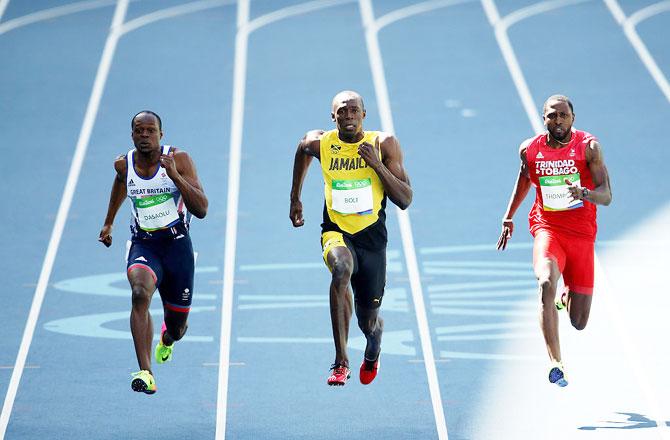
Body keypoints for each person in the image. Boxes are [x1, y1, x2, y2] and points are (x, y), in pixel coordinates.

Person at [289, 90, 412, 386]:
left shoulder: (383, 144)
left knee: (367, 321)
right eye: (341, 112)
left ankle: (373, 346)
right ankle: (340, 361)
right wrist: (295, 198)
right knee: (341, 270)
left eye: (354, 110)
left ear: (364, 115)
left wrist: (377, 165)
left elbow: (405, 199)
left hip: (372, 239)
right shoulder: (321, 143)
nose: (348, 116)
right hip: (337, 232)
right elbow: (302, 150)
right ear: (333, 117)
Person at [497, 95, 612, 387]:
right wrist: (508, 216)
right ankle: (555, 362)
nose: (557, 121)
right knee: (546, 281)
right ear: (543, 118)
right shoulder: (530, 149)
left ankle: (566, 297)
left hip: (582, 235)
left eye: (562, 115)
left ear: (573, 118)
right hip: (548, 229)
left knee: (579, 322)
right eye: (551, 116)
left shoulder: (589, 148)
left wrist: (584, 194)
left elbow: (607, 195)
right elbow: (524, 179)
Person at [98, 111, 208, 394]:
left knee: (177, 327)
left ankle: (167, 339)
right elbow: (121, 184)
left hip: (177, 248)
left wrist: (174, 176)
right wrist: (109, 221)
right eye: (139, 131)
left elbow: (202, 209)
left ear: (161, 134)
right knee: (139, 294)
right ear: (132, 135)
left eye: (150, 131)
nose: (144, 135)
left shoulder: (179, 160)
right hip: (144, 245)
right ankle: (146, 372)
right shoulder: (123, 165)